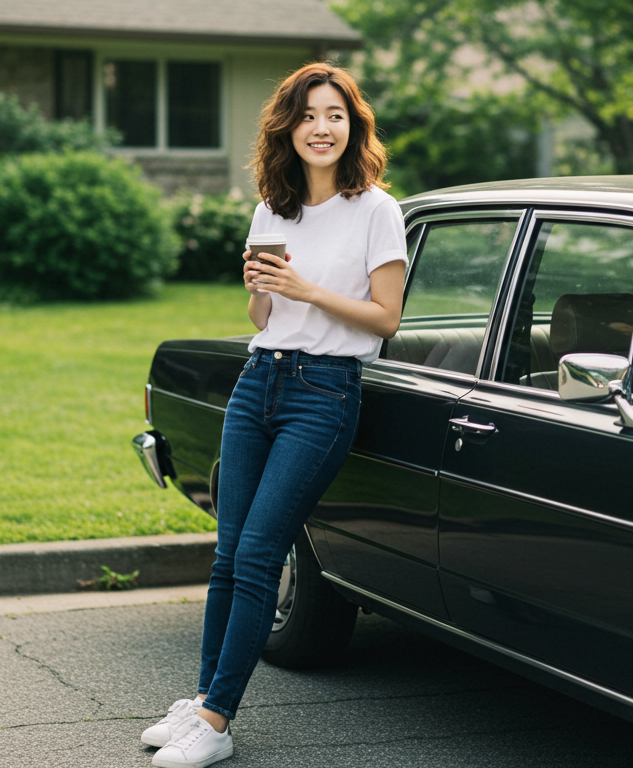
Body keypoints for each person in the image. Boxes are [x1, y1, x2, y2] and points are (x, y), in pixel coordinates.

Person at [142, 62, 408, 768]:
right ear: (287, 129)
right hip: (258, 381)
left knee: (261, 553)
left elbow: (386, 318)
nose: (322, 128)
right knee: (229, 554)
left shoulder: (377, 210)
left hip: (323, 394)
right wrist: (260, 288)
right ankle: (204, 698)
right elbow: (263, 316)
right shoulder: (272, 210)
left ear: (353, 127)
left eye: (335, 115)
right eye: (308, 115)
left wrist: (305, 287)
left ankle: (217, 721)